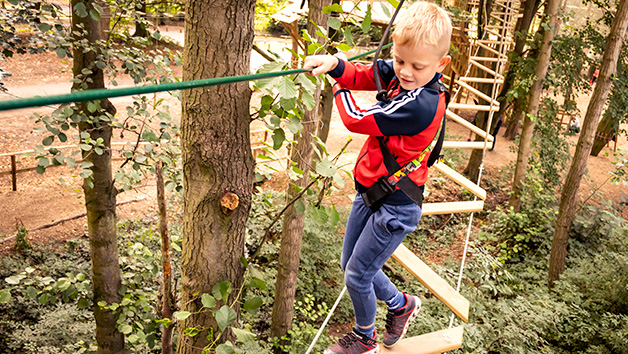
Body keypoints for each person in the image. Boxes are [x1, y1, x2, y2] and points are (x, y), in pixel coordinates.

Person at [304, 2, 452, 353]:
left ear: (440, 65)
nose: (404, 72)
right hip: (371, 191)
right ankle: (401, 304)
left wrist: (335, 87)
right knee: (350, 265)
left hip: (396, 206)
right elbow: (367, 74)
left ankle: (364, 336)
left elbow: (356, 117)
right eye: (400, 61)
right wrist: (336, 65)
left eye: (417, 66)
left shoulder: (421, 104)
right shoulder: (403, 71)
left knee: (357, 275)